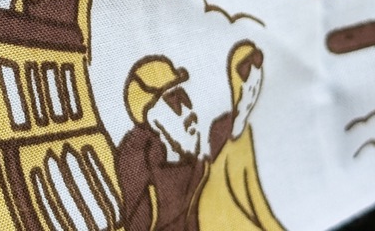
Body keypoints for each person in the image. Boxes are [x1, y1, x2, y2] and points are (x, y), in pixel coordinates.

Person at [199, 42, 285, 231]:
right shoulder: (220, 129)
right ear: (237, 85)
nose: (254, 91)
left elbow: (253, 191)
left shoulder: (246, 131)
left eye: (257, 83)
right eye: (250, 86)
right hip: (215, 214)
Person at [116, 56, 207, 231]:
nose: (188, 110)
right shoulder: (142, 172)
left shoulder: (199, 165)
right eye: (174, 101)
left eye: (184, 97)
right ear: (152, 119)